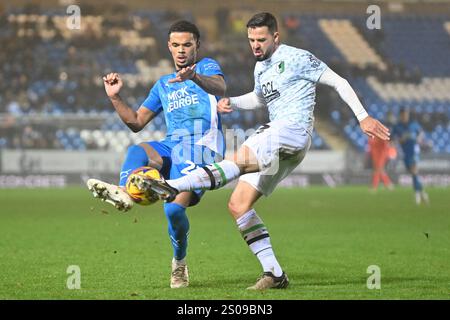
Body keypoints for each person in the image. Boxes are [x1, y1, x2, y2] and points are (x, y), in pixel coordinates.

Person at [135, 12, 390, 290]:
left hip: (291, 130)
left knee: (238, 160)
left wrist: (363, 116)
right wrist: (231, 102)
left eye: (261, 39)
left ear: (276, 37)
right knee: (238, 204)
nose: (255, 45)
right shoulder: (260, 67)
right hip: (286, 144)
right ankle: (275, 274)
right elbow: (258, 98)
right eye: (251, 40)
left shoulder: (297, 57)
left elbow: (338, 81)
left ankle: (171, 186)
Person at [86, 20, 226, 288]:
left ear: (197, 45)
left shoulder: (206, 66)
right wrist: (115, 98)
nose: (181, 50)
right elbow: (137, 122)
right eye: (176, 45)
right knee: (136, 151)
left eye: (187, 44)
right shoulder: (163, 84)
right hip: (172, 146)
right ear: (169, 47)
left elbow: (220, 88)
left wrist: (194, 76)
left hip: (201, 150)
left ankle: (179, 265)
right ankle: (125, 191)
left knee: (173, 212)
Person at [392, 108, 429, 204]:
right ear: (400, 115)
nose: (405, 116)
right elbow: (392, 140)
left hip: (414, 150)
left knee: (414, 171)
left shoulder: (414, 124)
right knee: (413, 173)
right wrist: (401, 140)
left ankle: (417, 194)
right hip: (405, 153)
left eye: (406, 114)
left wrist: (418, 139)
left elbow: (421, 133)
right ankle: (422, 192)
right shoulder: (397, 126)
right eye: (403, 115)